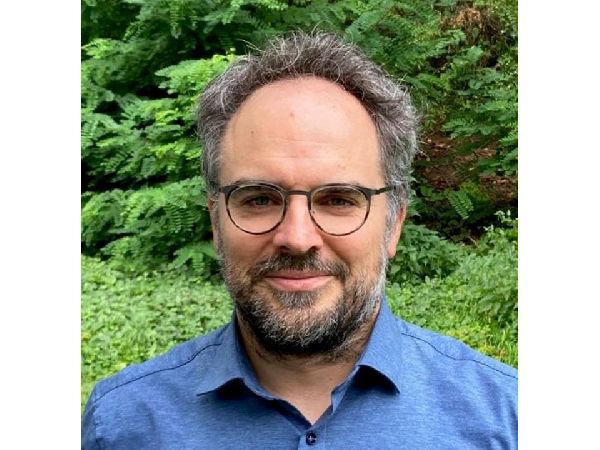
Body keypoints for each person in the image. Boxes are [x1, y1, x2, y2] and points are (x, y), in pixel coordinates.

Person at [82, 31, 517, 449]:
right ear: (216, 221)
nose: (296, 237)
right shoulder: (121, 427)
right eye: (258, 199)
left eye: (338, 200)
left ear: (394, 224)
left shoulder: (508, 420)